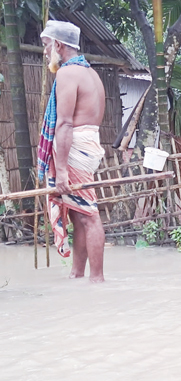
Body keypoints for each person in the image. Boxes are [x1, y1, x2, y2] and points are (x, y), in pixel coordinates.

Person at [38, 21, 107, 282]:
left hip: (76, 147)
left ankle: (97, 280)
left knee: (88, 213)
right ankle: (78, 275)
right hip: (87, 144)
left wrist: (63, 169)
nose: (45, 52)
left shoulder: (68, 74)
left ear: (58, 44)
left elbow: (65, 123)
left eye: (47, 46)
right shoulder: (91, 74)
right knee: (79, 214)